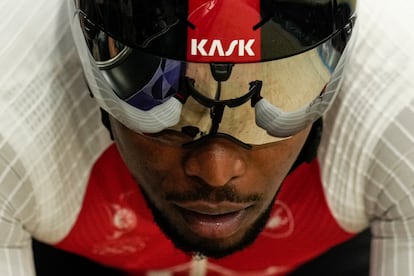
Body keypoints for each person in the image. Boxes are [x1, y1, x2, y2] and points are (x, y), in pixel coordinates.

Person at [1, 0, 413, 276]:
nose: (216, 173)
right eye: (164, 99)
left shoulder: (399, 100)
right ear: (91, 70)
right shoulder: (12, 118)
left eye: (266, 97)